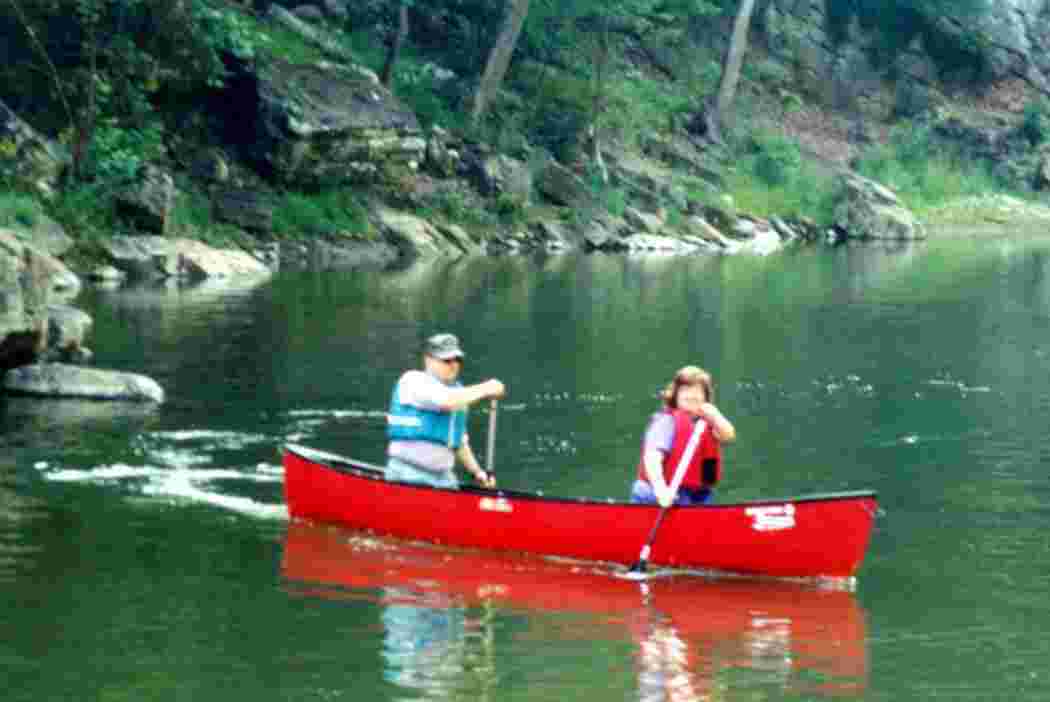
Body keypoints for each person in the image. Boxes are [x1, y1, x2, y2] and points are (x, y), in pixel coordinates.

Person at [386, 333, 504, 489]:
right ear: (428, 359)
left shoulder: (458, 392)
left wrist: (477, 472)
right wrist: (487, 388)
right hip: (408, 474)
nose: (453, 365)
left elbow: (458, 441)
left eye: (457, 360)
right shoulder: (412, 381)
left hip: (444, 478)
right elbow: (445, 400)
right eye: (446, 360)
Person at [631, 366, 736, 507]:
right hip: (658, 495)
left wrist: (716, 416)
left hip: (695, 494)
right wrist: (661, 491)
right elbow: (652, 459)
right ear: (676, 395)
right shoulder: (666, 422)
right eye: (686, 390)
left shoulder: (708, 421)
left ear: (705, 397)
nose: (692, 396)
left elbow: (728, 436)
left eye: (698, 391)